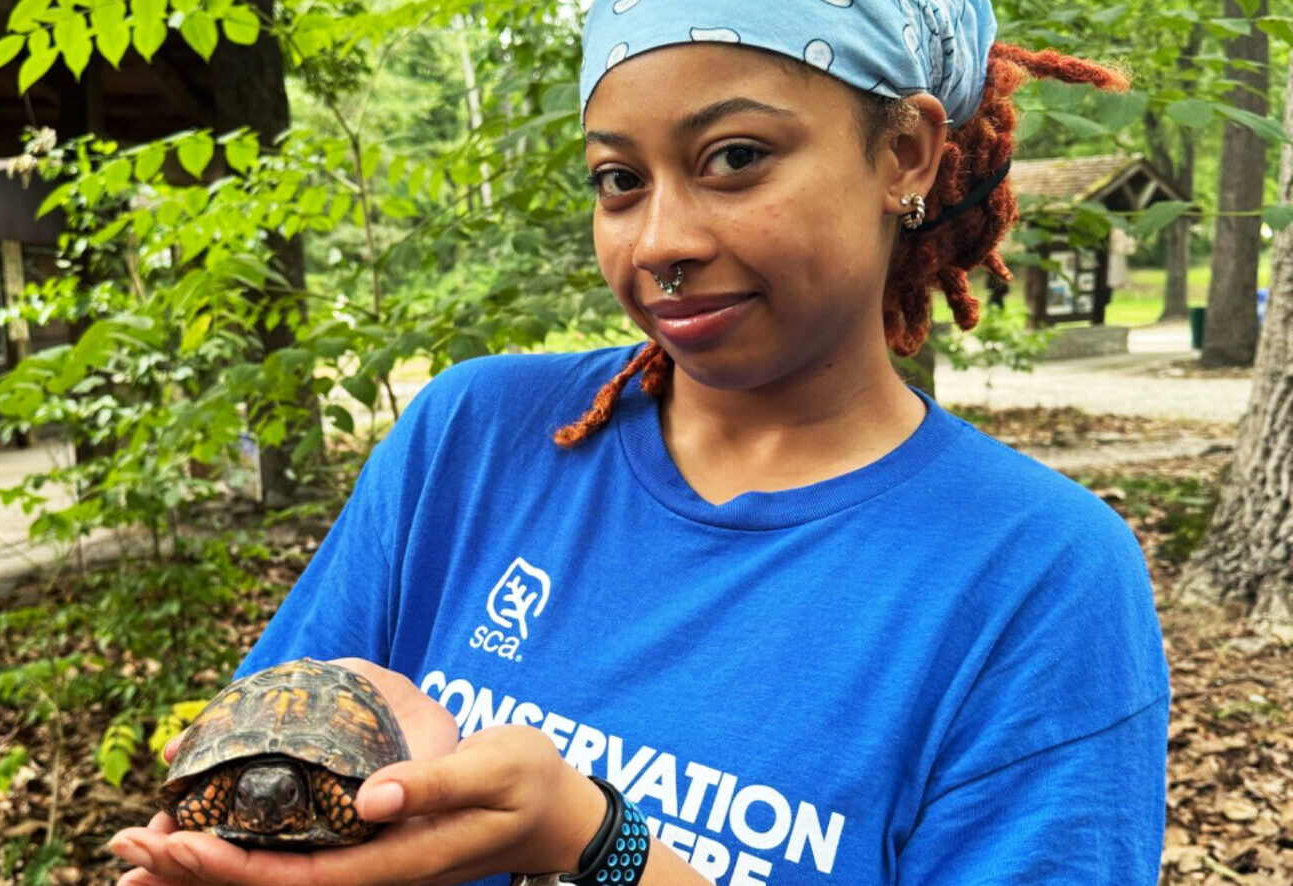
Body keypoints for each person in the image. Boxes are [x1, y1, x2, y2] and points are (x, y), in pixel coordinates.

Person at [110, 2, 1170, 884]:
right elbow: (250, 781)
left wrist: (599, 846)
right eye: (618, 179)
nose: (660, 241)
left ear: (905, 154)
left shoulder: (1036, 576)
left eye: (735, 159)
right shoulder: (471, 442)